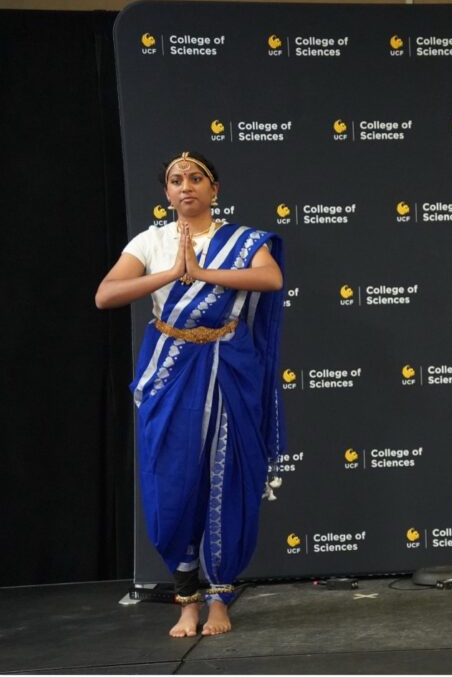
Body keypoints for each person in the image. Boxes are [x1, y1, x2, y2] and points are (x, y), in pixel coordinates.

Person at [95, 152, 285, 637]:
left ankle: (220, 599)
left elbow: (270, 278)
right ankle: (186, 602)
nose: (186, 187)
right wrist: (172, 271)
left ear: (213, 187)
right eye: (176, 180)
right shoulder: (151, 240)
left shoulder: (241, 241)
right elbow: (106, 294)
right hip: (171, 369)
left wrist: (203, 273)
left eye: (196, 178)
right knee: (173, 484)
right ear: (166, 193)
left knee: (228, 477)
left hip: (227, 365)